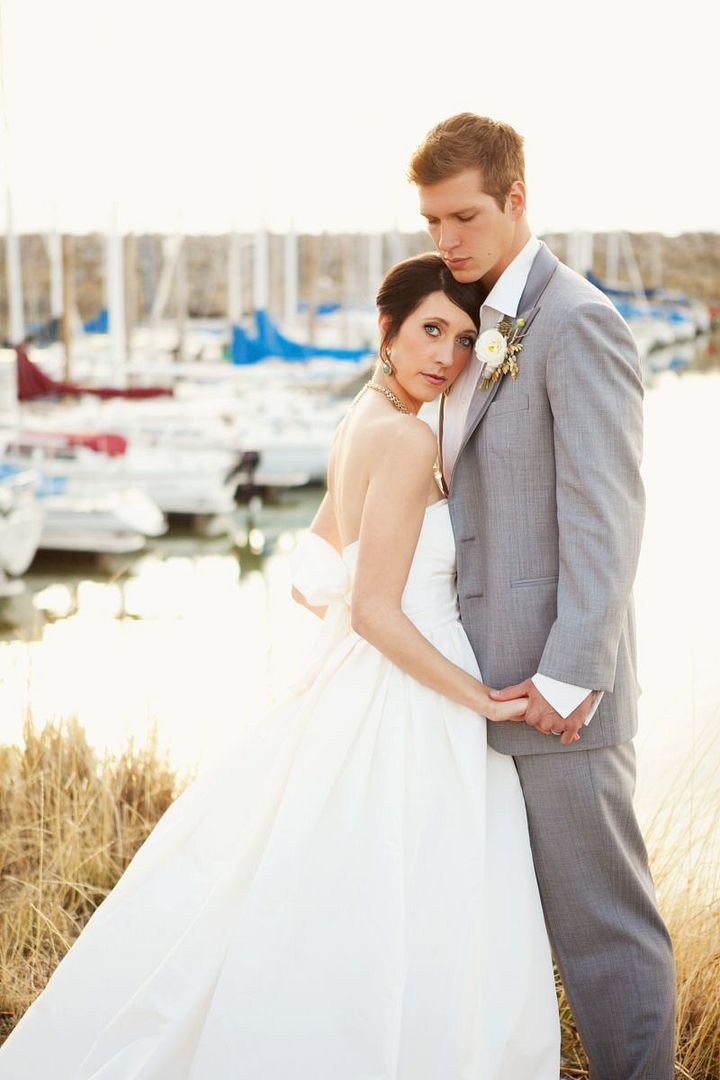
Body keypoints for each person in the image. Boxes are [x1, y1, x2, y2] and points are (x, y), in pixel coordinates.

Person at [0, 253, 560, 1078]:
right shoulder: (405, 440)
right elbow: (373, 610)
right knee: (420, 899)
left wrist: (377, 622)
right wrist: (481, 698)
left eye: (465, 337)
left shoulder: (357, 420)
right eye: (431, 330)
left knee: (326, 892)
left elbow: (315, 577)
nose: (447, 354)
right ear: (388, 331)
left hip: (359, 687)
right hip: (414, 698)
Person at [407, 112, 676, 1078]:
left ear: (518, 200)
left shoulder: (579, 322)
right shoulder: (478, 318)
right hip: (475, 693)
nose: (448, 240)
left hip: (559, 701)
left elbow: (608, 518)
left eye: (466, 217)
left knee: (604, 938)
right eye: (434, 221)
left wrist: (572, 674)